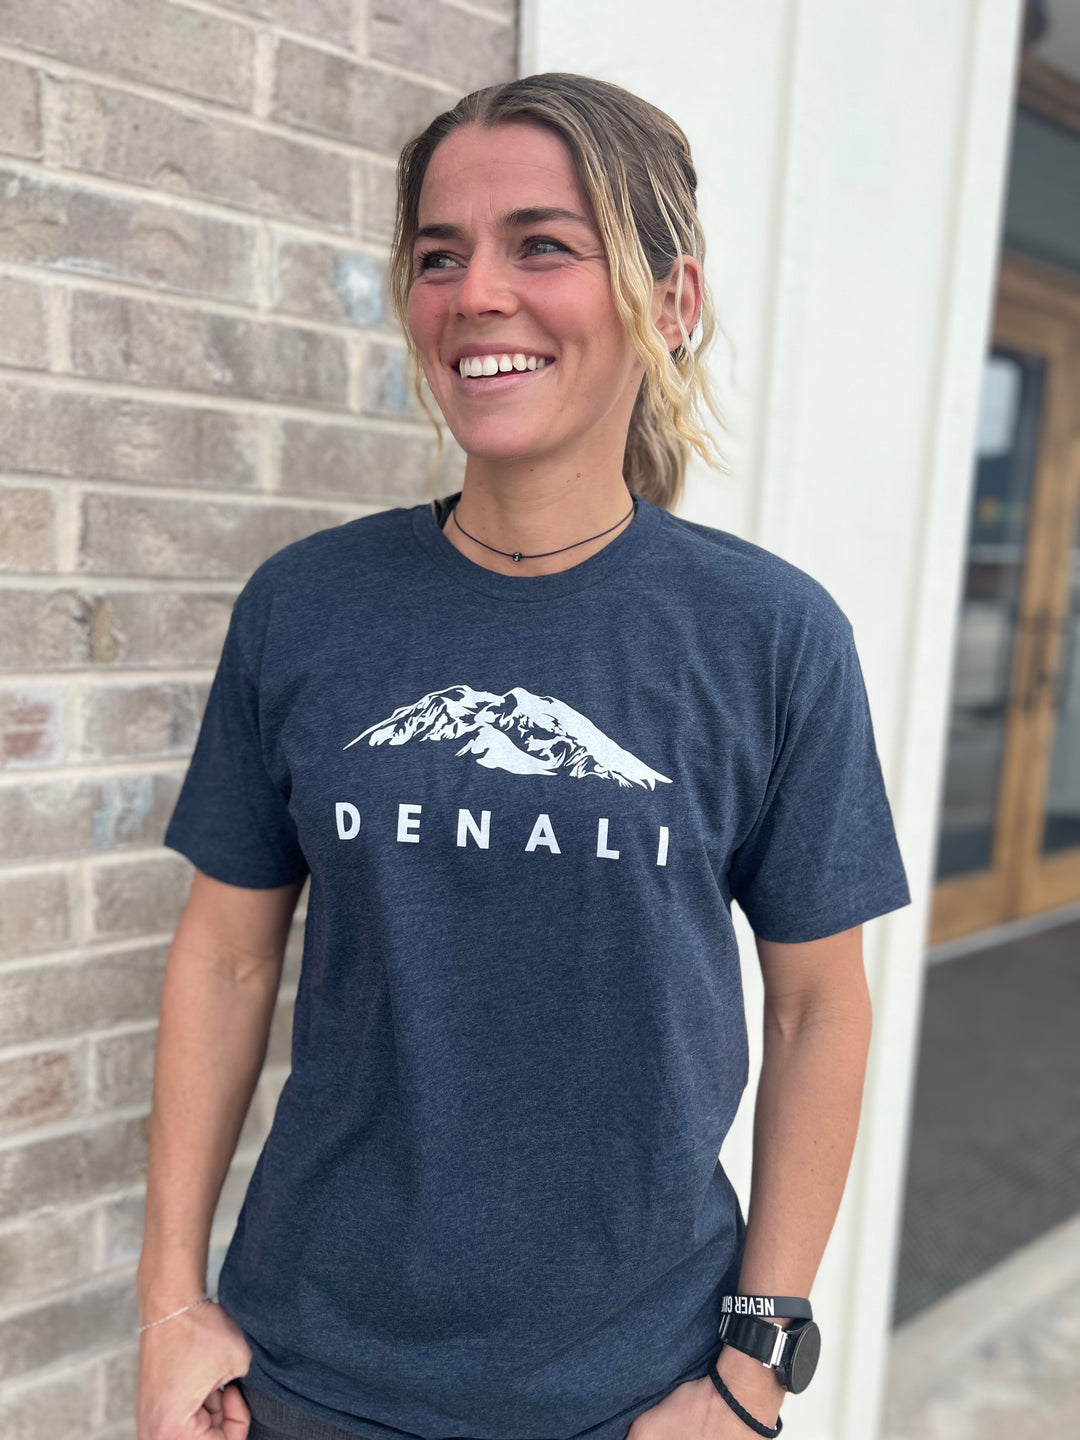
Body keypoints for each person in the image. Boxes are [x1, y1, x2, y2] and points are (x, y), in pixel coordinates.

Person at [135, 72, 911, 1440]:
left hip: (633, 1390)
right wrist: (168, 1305)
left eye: (541, 245)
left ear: (670, 302)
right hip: (305, 1376)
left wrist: (752, 1371)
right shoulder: (307, 606)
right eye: (441, 256)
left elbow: (816, 1010)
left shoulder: (769, 637)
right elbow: (227, 953)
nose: (477, 293)